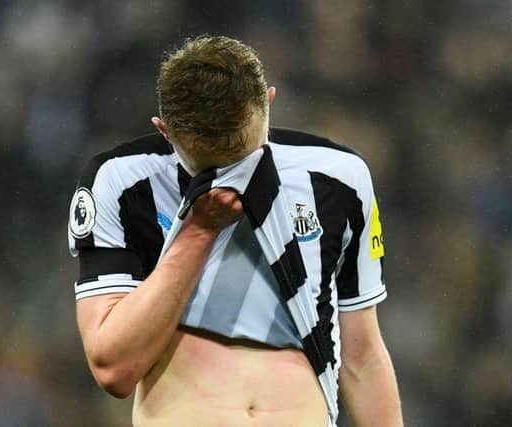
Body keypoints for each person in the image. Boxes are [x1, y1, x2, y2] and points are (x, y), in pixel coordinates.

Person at [69, 36, 402, 426]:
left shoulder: (338, 176)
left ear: (269, 101)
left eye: (239, 153)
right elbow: (113, 368)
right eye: (210, 159)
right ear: (165, 131)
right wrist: (196, 233)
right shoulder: (122, 180)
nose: (232, 174)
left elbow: (361, 357)